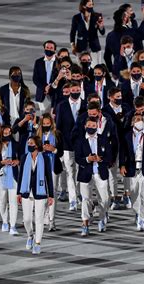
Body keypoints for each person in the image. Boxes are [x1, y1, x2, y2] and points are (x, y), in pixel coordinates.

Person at [120, 114, 144, 231]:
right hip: (132, 169)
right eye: (137, 120)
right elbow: (123, 152)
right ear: (133, 122)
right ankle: (137, 212)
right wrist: (122, 166)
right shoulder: (127, 136)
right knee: (134, 194)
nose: (140, 121)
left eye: (142, 120)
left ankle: (141, 219)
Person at [17, 136, 54, 255]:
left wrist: (51, 195)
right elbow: (20, 175)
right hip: (26, 191)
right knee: (27, 219)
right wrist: (18, 192)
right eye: (28, 143)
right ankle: (30, 236)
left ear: (37, 145)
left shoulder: (45, 158)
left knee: (38, 219)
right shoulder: (24, 158)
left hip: (40, 192)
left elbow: (49, 177)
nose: (29, 145)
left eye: (31, 143)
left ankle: (37, 243)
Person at [75, 116, 111, 235]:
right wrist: (87, 159)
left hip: (100, 173)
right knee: (86, 200)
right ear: (85, 126)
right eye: (89, 126)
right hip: (85, 174)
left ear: (97, 126)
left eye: (93, 126)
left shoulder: (103, 139)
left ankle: (101, 219)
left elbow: (109, 157)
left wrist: (100, 159)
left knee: (104, 200)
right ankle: (85, 223)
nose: (91, 128)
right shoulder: (80, 140)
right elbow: (77, 159)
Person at [55, 81, 86, 210]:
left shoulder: (85, 105)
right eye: (73, 90)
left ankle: (78, 193)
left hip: (81, 145)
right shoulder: (62, 106)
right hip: (67, 145)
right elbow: (58, 127)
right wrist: (60, 145)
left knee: (79, 171)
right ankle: (72, 199)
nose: (75, 92)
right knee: (70, 172)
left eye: (77, 89)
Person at [0, 125, 19, 235]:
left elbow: (21, 157)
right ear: (1, 134)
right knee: (2, 200)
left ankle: (13, 226)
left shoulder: (16, 145)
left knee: (13, 202)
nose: (8, 135)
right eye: (5, 134)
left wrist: (17, 162)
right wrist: (2, 163)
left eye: (9, 133)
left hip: (13, 176)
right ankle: (5, 222)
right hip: (1, 176)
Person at [37, 113, 64, 231]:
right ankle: (44, 216)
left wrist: (53, 149)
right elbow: (31, 150)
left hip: (53, 167)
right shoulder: (37, 135)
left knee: (52, 193)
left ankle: (52, 220)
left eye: (48, 124)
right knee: (43, 193)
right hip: (41, 167)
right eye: (44, 124)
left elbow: (61, 152)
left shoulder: (57, 134)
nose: (46, 125)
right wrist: (41, 149)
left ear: (52, 124)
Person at [70, 0, 105, 66]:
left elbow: (102, 32)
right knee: (80, 68)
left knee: (96, 67)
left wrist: (101, 27)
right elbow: (73, 32)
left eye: (92, 4)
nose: (91, 6)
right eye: (89, 5)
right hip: (81, 46)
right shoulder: (76, 18)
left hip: (94, 47)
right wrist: (72, 46)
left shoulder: (97, 16)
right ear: (84, 6)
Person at [32, 40, 58, 114]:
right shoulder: (38, 62)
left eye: (51, 48)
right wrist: (44, 87)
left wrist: (50, 86)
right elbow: (35, 79)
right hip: (41, 93)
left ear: (54, 50)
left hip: (55, 93)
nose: (49, 49)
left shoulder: (58, 62)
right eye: (47, 47)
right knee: (41, 113)